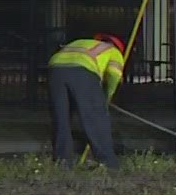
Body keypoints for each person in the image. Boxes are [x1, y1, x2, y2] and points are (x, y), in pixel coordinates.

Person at [47, 32, 126, 169]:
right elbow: (114, 75)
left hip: (55, 68)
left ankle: (63, 160)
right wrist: (106, 97)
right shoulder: (113, 51)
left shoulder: (81, 41)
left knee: (61, 116)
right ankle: (107, 162)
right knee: (95, 117)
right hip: (83, 70)